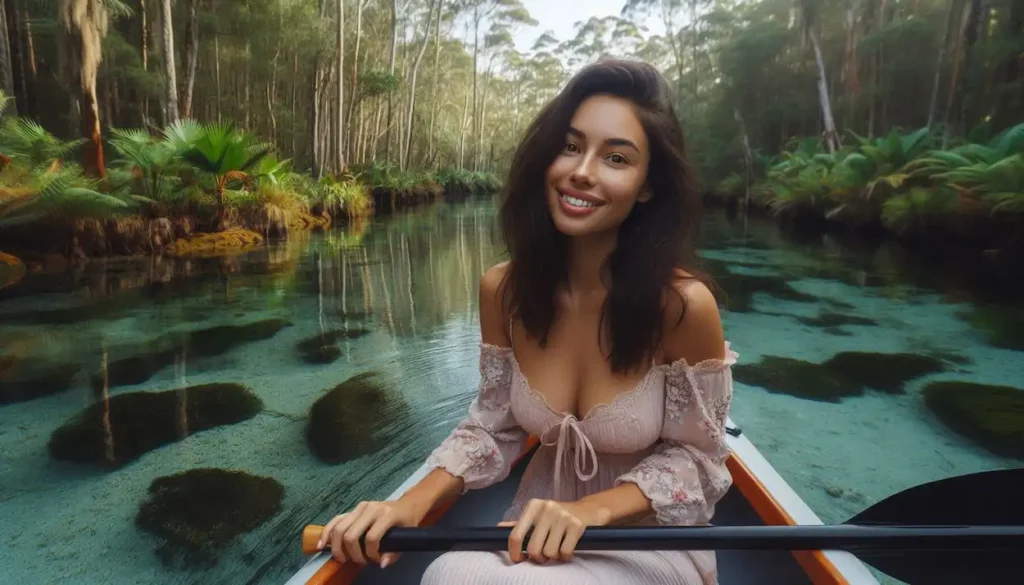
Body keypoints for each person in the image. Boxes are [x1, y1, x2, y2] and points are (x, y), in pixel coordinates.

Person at [316, 57, 738, 585]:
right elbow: (494, 429)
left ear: (648, 186)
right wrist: (408, 503)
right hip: (533, 532)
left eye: (615, 157)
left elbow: (700, 462)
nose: (581, 171)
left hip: (649, 535)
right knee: (448, 575)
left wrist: (592, 511)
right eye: (570, 146)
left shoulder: (682, 306)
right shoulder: (504, 291)